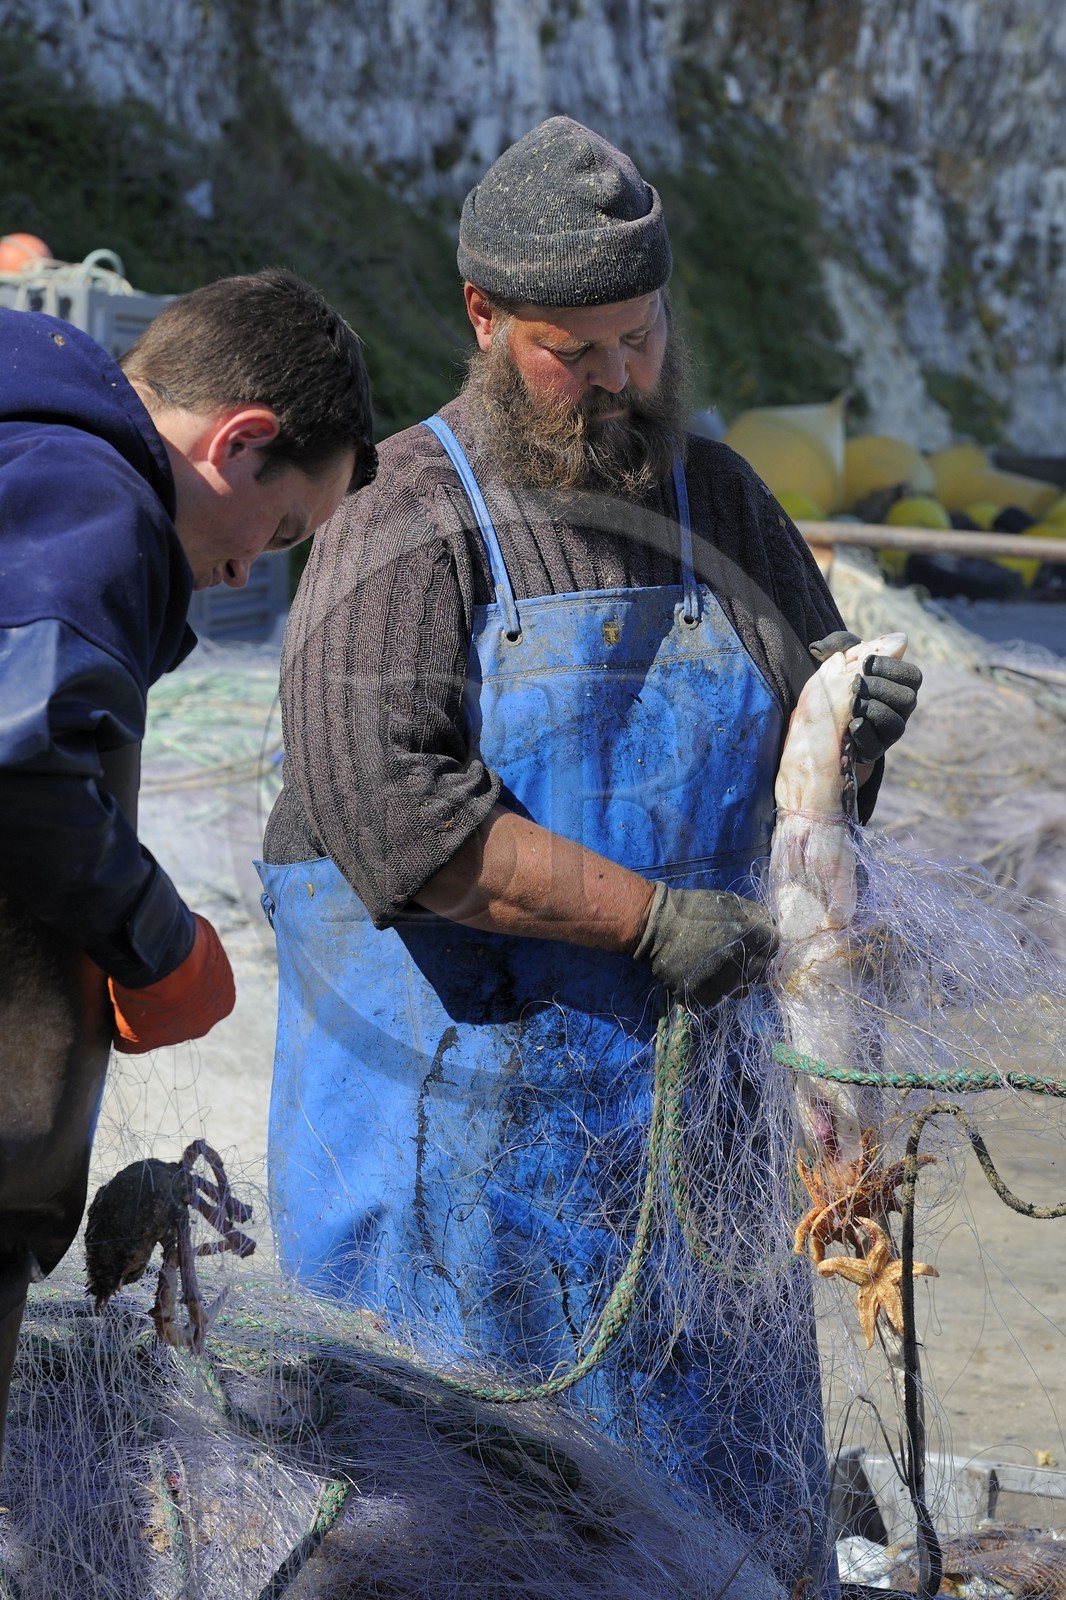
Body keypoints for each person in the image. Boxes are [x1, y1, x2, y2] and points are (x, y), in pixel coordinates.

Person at [261, 120, 920, 1592]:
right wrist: (646, 921)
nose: (622, 373)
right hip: (456, 1209)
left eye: (641, 333)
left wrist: (854, 723)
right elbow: (391, 814)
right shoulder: (398, 518)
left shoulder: (724, 499)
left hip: (694, 1190)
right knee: (464, 1550)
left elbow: (808, 791)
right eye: (579, 348)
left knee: (712, 1549)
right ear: (487, 321)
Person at [0, 268, 376, 1452]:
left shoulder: (29, 444)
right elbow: (21, 764)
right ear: (239, 442)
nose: (254, 566)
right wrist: (157, 940)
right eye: (283, 527)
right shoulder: (91, 501)